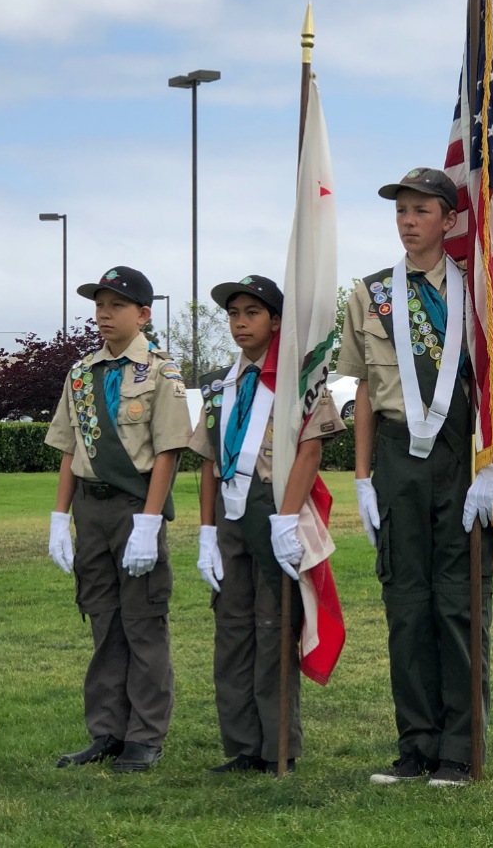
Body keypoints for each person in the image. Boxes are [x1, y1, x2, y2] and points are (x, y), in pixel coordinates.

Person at [336, 167, 493, 788]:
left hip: (461, 456)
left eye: (421, 211)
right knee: (406, 605)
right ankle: (416, 745)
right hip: (396, 455)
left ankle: (460, 749)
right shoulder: (371, 292)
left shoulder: (478, 291)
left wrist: (490, 467)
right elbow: (361, 390)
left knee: (458, 604)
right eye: (401, 211)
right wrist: (361, 477)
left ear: (450, 220)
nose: (408, 221)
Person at [188, 275, 345, 775]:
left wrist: (285, 519)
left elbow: (312, 448)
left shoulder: (300, 379)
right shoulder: (219, 384)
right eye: (233, 314)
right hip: (231, 512)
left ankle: (279, 747)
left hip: (274, 507)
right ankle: (242, 746)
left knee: (274, 627)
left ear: (276, 322)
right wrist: (207, 532)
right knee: (232, 630)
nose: (239, 323)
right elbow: (208, 461)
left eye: (251, 313)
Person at [46, 266, 192, 773]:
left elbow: (169, 451)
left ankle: (145, 736)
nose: (104, 315)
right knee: (103, 621)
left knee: (143, 622)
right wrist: (57, 517)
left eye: (116, 306)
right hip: (90, 508)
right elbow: (69, 448)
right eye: (99, 306)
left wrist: (150, 522)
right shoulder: (81, 374)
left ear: (143, 314)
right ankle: (106, 730)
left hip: (134, 509)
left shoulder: (159, 372)